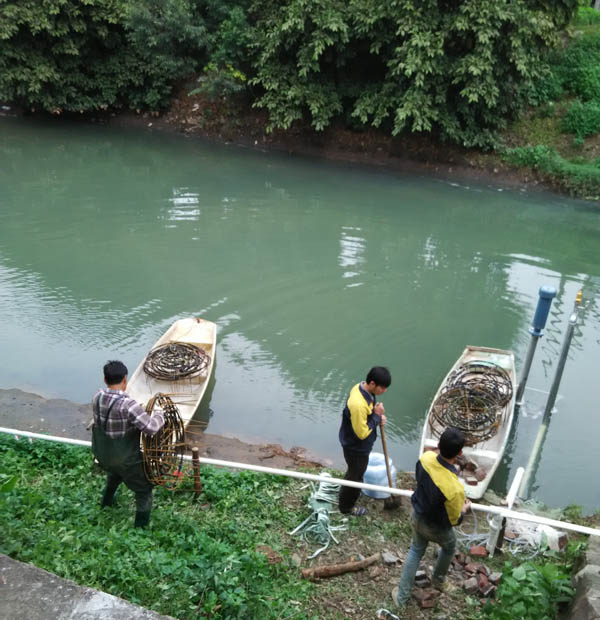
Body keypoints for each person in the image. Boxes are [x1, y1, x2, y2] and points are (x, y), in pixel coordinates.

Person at [392, 426, 471, 608]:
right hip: (437, 527)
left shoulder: (425, 458)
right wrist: (464, 510)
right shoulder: (454, 488)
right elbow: (454, 520)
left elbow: (422, 478)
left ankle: (401, 597)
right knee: (450, 547)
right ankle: (438, 579)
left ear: (437, 445)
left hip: (418, 515)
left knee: (416, 551)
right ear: (459, 453)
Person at [91, 360, 165, 528]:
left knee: (114, 474)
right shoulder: (128, 405)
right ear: (125, 379)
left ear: (105, 379)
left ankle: (106, 504)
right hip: (125, 459)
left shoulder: (97, 396)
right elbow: (151, 428)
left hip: (103, 454)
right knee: (144, 490)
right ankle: (141, 527)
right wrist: (161, 415)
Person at [338, 366, 391, 516]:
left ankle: (350, 491)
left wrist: (377, 416)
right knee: (355, 476)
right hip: (356, 448)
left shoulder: (361, 388)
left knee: (354, 473)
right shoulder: (358, 404)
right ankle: (346, 507)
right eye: (382, 388)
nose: (384, 391)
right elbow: (361, 434)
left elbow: (368, 414)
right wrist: (376, 417)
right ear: (372, 383)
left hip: (356, 444)